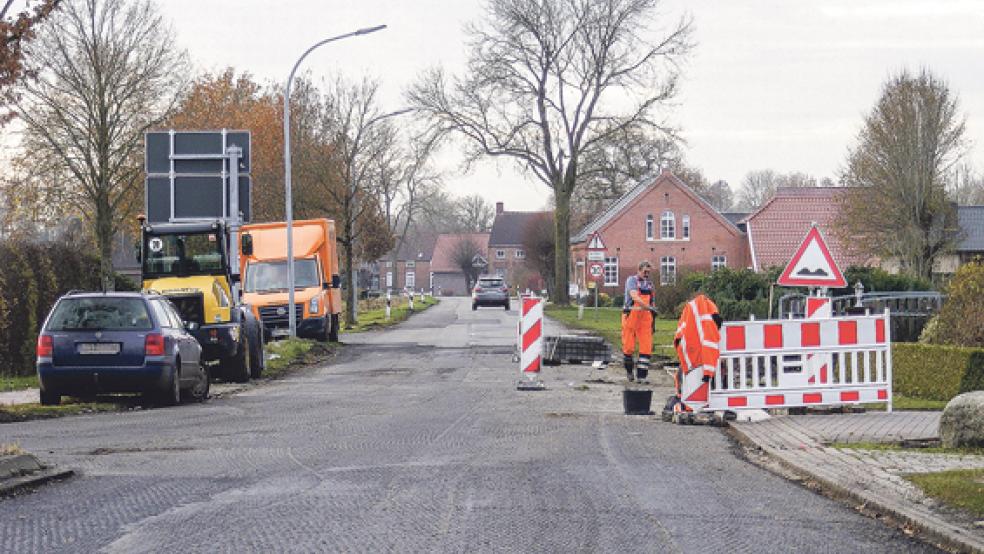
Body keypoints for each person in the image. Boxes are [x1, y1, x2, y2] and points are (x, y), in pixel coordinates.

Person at [668, 294, 723, 414]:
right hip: (696, 359)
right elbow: (710, 349)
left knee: (684, 376)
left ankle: (682, 399)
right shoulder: (708, 324)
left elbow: (678, 337)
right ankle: (686, 402)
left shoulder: (692, 310)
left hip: (689, 353)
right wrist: (708, 373)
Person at [621, 260, 657, 383]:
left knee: (646, 348)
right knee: (628, 347)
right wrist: (647, 307)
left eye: (648, 272)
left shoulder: (650, 284)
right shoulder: (632, 280)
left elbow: (652, 302)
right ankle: (629, 372)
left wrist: (652, 318)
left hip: (645, 319)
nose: (647, 274)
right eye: (645, 271)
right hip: (631, 315)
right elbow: (634, 296)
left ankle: (642, 377)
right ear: (639, 269)